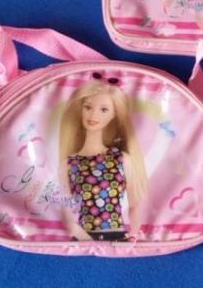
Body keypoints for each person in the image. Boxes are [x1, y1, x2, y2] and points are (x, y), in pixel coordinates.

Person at [58, 73, 147, 241]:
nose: (93, 115)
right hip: (83, 239)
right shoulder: (68, 164)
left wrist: (133, 234)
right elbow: (66, 213)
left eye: (104, 109)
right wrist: (86, 240)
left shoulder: (122, 160)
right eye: (88, 107)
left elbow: (135, 205)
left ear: (114, 114)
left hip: (117, 237)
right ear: (81, 109)